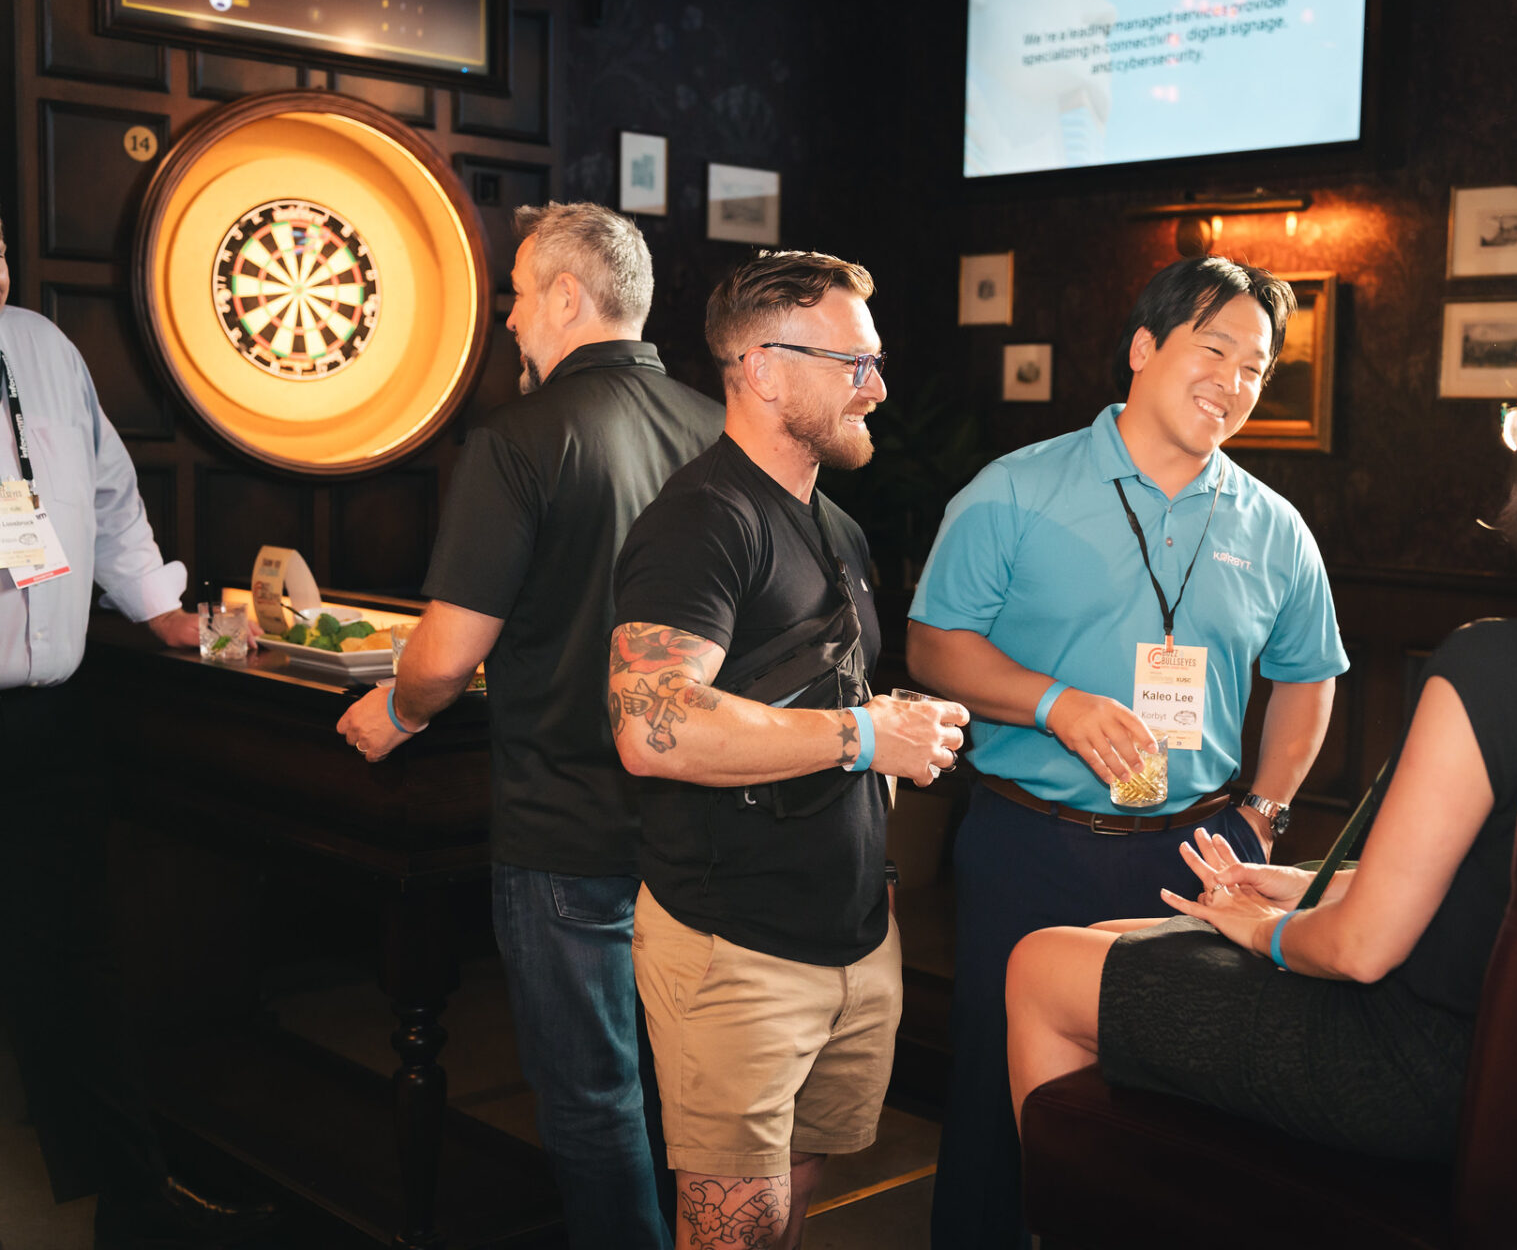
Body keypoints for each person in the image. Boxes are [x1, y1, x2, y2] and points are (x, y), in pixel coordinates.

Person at [1004, 304, 1517, 1163]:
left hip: (1418, 1064)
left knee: (1041, 964)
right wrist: (1315, 885)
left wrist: (1257, 928)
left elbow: (1361, 952)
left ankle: (1094, 1209)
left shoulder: (1500, 662)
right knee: (1117, 939)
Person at [908, 255, 1349, 1249]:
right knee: (996, 1106)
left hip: (1195, 858)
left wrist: (1264, 812)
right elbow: (935, 646)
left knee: (1164, 1121)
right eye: (1214, 349)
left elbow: (1309, 676)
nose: (1233, 382)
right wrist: (1054, 704)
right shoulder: (1016, 489)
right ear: (1144, 347)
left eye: (1256, 368)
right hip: (1031, 844)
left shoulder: (1275, 527)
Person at [337, 201, 722, 1249]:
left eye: (515, 294)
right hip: (697, 826)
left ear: (565, 296)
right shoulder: (719, 430)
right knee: (687, 1092)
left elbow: (444, 656)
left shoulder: (519, 439)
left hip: (566, 831)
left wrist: (399, 709)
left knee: (593, 1100)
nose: (508, 320)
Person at [607, 250, 967, 1250]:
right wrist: (866, 734)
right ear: (763, 369)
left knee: (793, 1202)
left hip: (852, 933)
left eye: (875, 361)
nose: (878, 387)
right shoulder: (701, 522)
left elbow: (812, 700)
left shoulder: (836, 526)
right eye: (854, 363)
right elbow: (651, 724)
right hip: (738, 947)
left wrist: (877, 849)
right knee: (739, 1223)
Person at [0, 216, 280, 1245]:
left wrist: (160, 606)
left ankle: (134, 1202)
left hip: (49, 718)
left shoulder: (42, 348)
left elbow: (112, 498)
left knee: (75, 958)